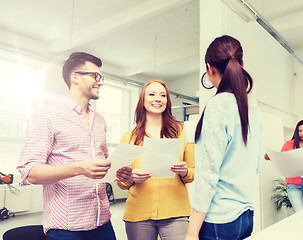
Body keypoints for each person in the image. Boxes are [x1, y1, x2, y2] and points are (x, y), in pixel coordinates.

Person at [17, 52, 117, 240]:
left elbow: (101, 161)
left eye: (101, 77)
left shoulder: (100, 120)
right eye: (95, 76)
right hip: (66, 226)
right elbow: (29, 171)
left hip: (102, 221)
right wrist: (79, 168)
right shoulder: (46, 116)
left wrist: (118, 170)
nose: (100, 82)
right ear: (75, 77)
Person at [185, 35, 262, 240]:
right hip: (245, 216)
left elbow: (207, 174)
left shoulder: (218, 105)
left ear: (210, 69)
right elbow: (255, 165)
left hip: (219, 220)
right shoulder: (252, 106)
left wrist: (192, 231)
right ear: (242, 64)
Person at [116, 79, 195, 240]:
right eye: (151, 94)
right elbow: (120, 180)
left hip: (175, 212)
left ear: (167, 101)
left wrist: (185, 171)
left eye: (163, 95)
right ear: (142, 101)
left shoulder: (182, 132)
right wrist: (131, 177)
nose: (158, 98)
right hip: (139, 213)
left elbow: (193, 172)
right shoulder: (129, 137)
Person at [265, 120, 303, 213]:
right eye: (300, 131)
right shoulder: (288, 145)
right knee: (300, 213)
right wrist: (272, 158)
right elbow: (281, 161)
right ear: (296, 131)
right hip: (293, 185)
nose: (302, 133)